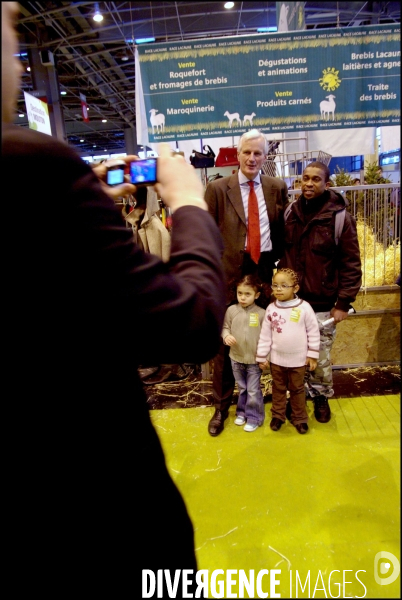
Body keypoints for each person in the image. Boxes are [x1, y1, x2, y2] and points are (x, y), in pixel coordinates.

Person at [2, 3, 226, 595]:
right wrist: (188, 203)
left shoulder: (40, 180)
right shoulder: (28, 164)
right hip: (95, 527)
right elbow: (195, 322)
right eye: (8, 30)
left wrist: (81, 201)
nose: (21, 66)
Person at [205, 128, 288, 436]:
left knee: (268, 341)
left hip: (265, 274)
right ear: (237, 155)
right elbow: (207, 235)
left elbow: (280, 231)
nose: (252, 158)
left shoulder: (276, 187)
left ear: (265, 157)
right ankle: (220, 407)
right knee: (227, 344)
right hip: (229, 277)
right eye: (247, 152)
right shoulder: (217, 189)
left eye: (258, 153)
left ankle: (272, 403)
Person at [278, 161, 362, 424]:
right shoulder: (290, 213)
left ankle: (321, 397)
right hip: (291, 303)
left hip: (323, 305)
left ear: (327, 184)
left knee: (320, 356)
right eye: (305, 178)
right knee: (292, 355)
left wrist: (343, 302)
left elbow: (351, 263)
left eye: (316, 179)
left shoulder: (340, 219)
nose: (309, 184)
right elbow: (281, 254)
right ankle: (297, 397)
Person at [256, 268, 320, 434]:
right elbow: (265, 335)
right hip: (277, 360)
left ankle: (299, 418)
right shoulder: (271, 308)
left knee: (297, 389)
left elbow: (313, 332)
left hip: (298, 361)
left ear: (295, 288)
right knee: (278, 388)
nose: (278, 289)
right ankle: (278, 415)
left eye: (284, 286)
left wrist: (312, 355)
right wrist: (262, 356)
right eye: (275, 285)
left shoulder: (304, 308)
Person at [221, 274, 267, 432]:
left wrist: (265, 357)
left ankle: (254, 417)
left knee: (253, 390)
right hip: (236, 358)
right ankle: (241, 412)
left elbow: (267, 337)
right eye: (240, 293)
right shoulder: (231, 310)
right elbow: (225, 327)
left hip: (254, 360)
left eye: (247, 294)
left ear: (257, 295)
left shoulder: (262, 313)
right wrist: (226, 336)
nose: (243, 297)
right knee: (242, 388)